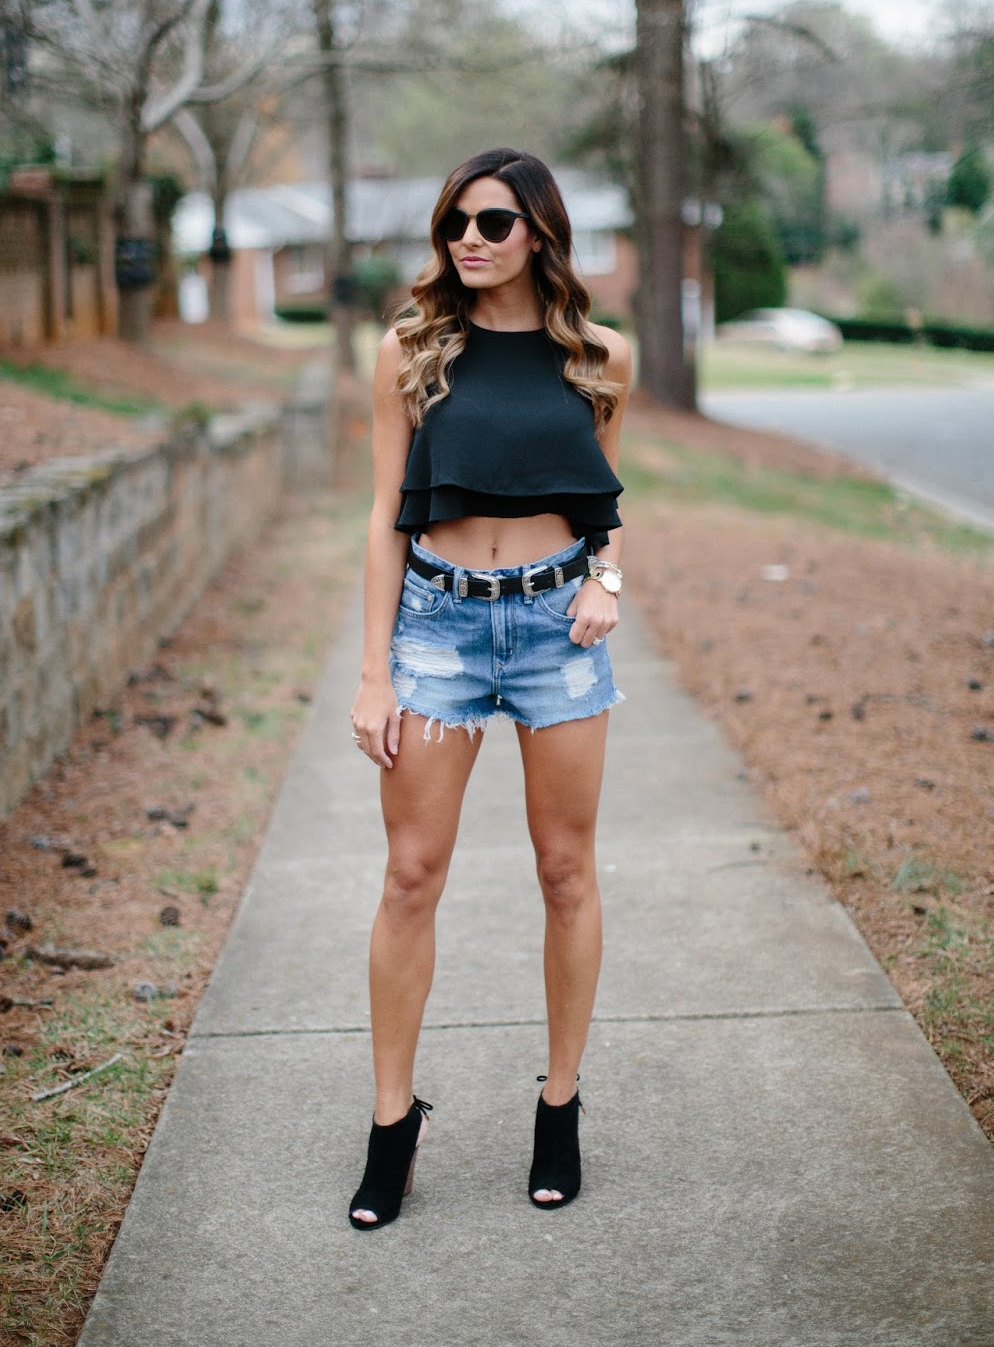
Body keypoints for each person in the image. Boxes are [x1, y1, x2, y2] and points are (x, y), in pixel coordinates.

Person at [347, 147, 631, 1229]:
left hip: (560, 629)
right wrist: (375, 674)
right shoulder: (410, 351)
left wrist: (606, 578)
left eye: (494, 221)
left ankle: (558, 1109)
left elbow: (605, 500)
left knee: (565, 871)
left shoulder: (600, 357)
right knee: (410, 874)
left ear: (540, 234)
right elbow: (384, 516)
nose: (469, 238)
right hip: (439, 629)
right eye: (456, 221)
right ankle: (390, 1125)